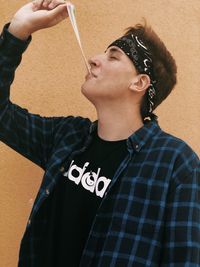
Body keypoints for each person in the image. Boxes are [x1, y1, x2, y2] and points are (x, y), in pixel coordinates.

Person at [0, 0, 199, 266]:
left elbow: (184, 260)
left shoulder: (176, 163)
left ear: (140, 82)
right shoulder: (67, 137)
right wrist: (17, 31)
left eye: (113, 56)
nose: (94, 59)